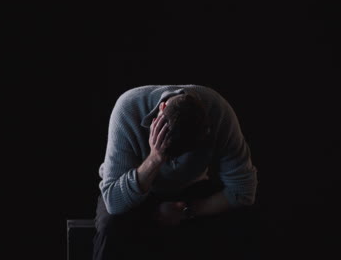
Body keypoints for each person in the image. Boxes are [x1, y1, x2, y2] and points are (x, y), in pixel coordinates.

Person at [93, 84, 259, 260]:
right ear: (161, 108)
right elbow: (113, 200)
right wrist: (156, 158)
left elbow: (243, 191)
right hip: (137, 188)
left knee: (241, 222)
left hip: (189, 189)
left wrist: (188, 211)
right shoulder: (128, 108)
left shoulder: (219, 114)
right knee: (109, 227)